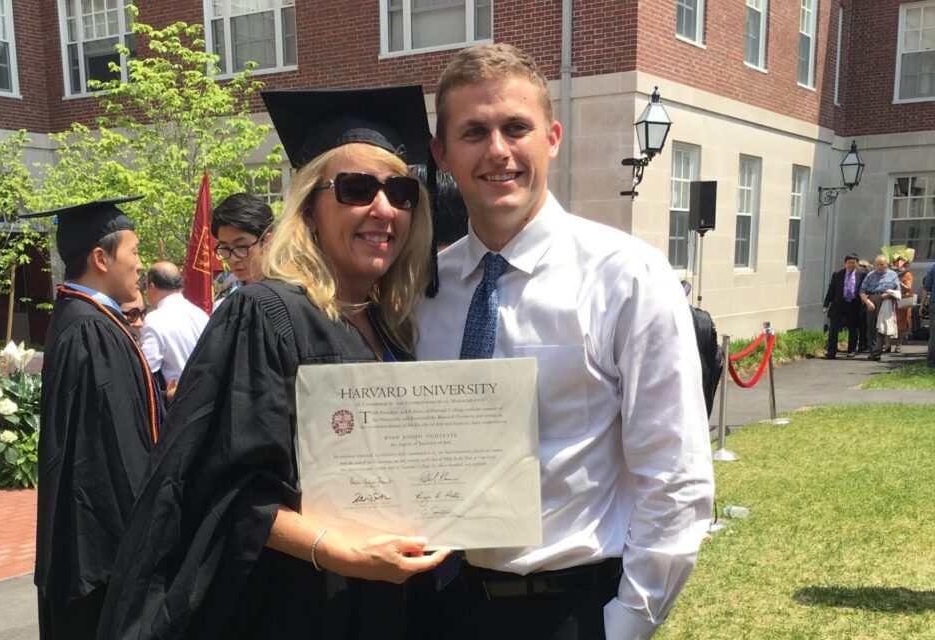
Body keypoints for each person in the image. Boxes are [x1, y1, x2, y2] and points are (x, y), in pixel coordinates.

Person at [97, 85, 449, 640]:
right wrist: (339, 551)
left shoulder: (391, 324)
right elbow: (220, 485)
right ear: (309, 206)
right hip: (302, 602)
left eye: (400, 191)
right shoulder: (267, 315)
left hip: (387, 599)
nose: (383, 208)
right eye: (356, 189)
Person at [414, 44, 714, 640]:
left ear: (551, 137)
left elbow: (674, 475)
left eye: (515, 127)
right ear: (441, 154)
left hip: (568, 610)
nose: (497, 150)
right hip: (439, 608)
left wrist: (626, 623)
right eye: (473, 132)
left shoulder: (626, 276)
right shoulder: (424, 292)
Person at [20, 197, 162, 639]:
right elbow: (116, 450)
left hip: (91, 540)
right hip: (103, 549)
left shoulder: (85, 318)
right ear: (101, 258)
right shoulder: (89, 329)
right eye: (135, 252)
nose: (141, 265)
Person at [139, 261, 210, 390]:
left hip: (179, 398)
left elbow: (146, 370)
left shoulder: (154, 320)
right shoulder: (201, 315)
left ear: (152, 287)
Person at [211, 192, 274, 307]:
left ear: (267, 242)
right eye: (225, 248)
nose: (233, 259)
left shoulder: (293, 296)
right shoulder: (223, 307)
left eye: (241, 246)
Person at [860, 254, 901, 361]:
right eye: (878, 264)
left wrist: (888, 295)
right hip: (872, 298)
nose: (880, 266)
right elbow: (862, 291)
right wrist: (867, 301)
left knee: (881, 326)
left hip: (885, 300)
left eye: (882, 264)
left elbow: (898, 291)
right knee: (871, 326)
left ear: (886, 264)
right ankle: (872, 350)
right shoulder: (870, 275)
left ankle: (877, 352)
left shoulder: (893, 275)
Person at [823, 253, 864, 359]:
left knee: (853, 329)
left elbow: (864, 290)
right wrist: (826, 304)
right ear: (845, 263)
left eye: (853, 263)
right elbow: (831, 290)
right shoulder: (837, 274)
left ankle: (851, 350)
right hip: (839, 304)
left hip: (853, 304)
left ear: (857, 264)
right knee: (834, 329)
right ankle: (831, 351)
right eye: (849, 263)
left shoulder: (861, 275)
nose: (851, 265)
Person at [892, 256, 913, 353]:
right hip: (891, 299)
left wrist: (898, 281)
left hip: (902, 300)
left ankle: (898, 345)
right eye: (897, 263)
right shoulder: (890, 273)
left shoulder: (907, 275)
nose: (899, 265)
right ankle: (887, 344)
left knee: (901, 323)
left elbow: (908, 288)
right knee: (889, 322)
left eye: (902, 263)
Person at [922, 260, 935, 368]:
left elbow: (927, 288)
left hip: (934, 303)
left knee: (933, 334)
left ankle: (931, 362)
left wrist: (922, 305)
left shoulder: (932, 267)